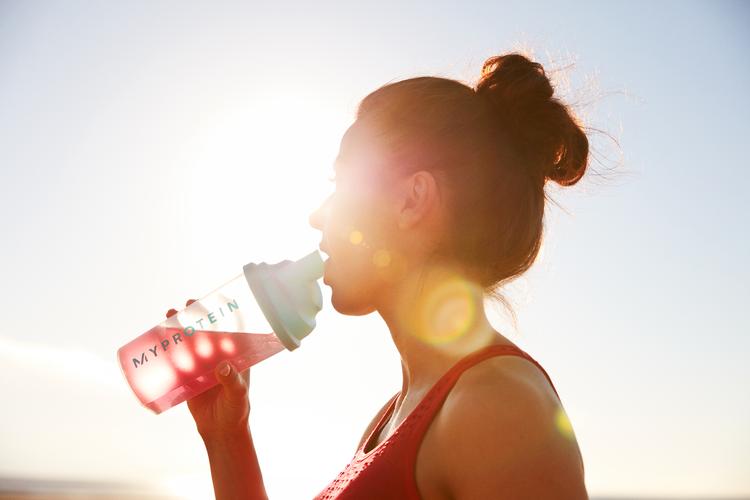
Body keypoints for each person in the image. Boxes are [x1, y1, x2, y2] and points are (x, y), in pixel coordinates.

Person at [170, 52, 590, 499]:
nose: (317, 216)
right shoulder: (396, 416)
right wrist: (227, 439)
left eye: (340, 184)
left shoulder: (499, 409)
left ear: (412, 200)